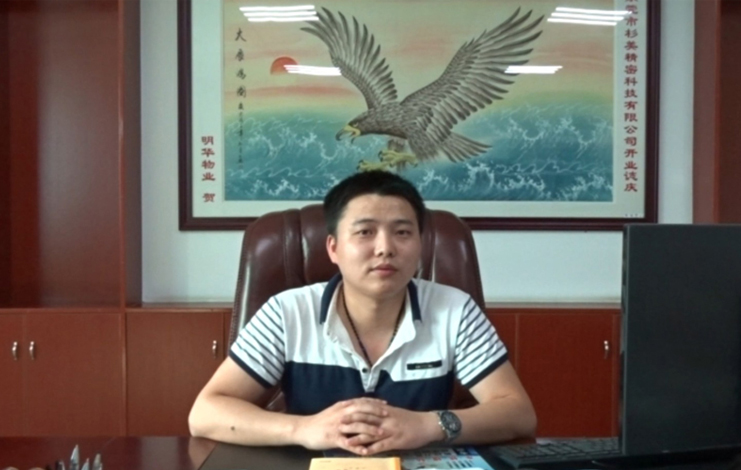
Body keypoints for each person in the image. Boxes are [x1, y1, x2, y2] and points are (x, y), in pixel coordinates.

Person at [189, 171, 536, 455]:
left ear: (419, 246)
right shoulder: (287, 312)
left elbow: (518, 413)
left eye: (402, 232)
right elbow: (206, 413)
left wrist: (428, 425)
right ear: (333, 248)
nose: (385, 248)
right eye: (365, 232)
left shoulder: (454, 310)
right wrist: (305, 429)